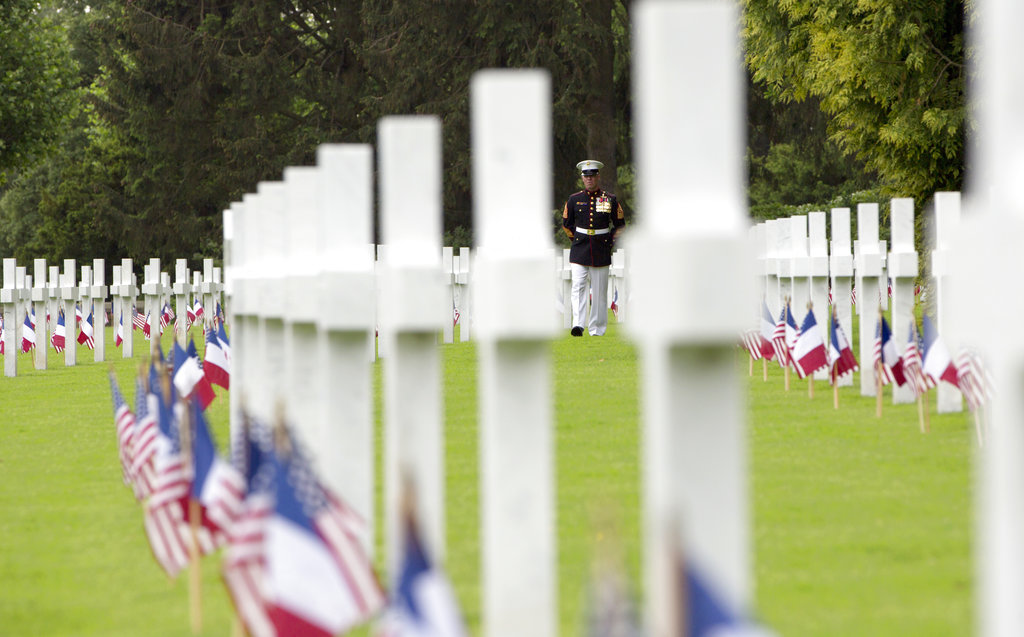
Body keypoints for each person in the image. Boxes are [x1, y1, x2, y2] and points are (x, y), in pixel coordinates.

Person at [562, 159, 626, 337]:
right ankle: (578, 324)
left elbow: (620, 226)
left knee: (599, 290)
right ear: (582, 178)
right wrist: (576, 240)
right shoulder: (574, 200)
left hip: (601, 248)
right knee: (578, 285)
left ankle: (596, 328)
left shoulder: (610, 199)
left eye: (592, 176)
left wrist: (609, 241)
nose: (589, 179)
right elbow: (566, 224)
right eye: (586, 176)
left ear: (598, 177)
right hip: (580, 248)